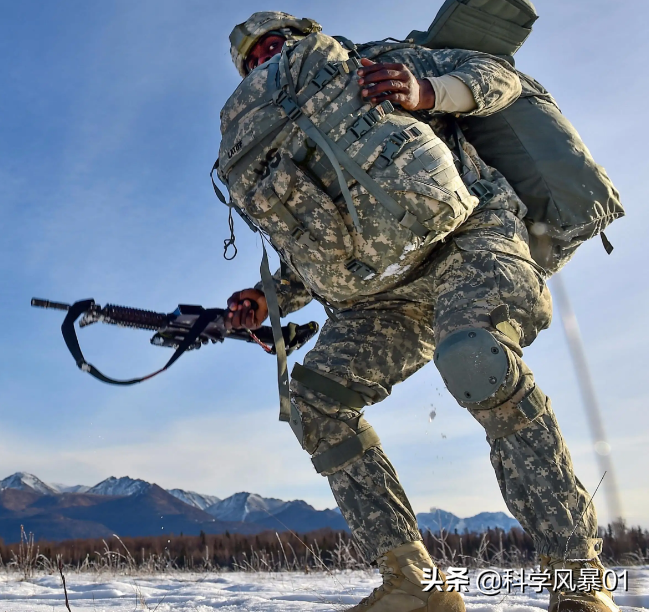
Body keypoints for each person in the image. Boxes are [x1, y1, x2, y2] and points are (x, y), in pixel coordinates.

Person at [220, 12, 617, 612]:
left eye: (272, 45)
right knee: (315, 401)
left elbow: (496, 76)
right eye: (251, 59)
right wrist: (270, 298)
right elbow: (321, 245)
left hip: (470, 236)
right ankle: (415, 586)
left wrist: (428, 92)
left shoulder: (369, 64)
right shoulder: (268, 143)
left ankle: (577, 580)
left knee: (474, 358)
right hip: (379, 296)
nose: (263, 60)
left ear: (303, 39)